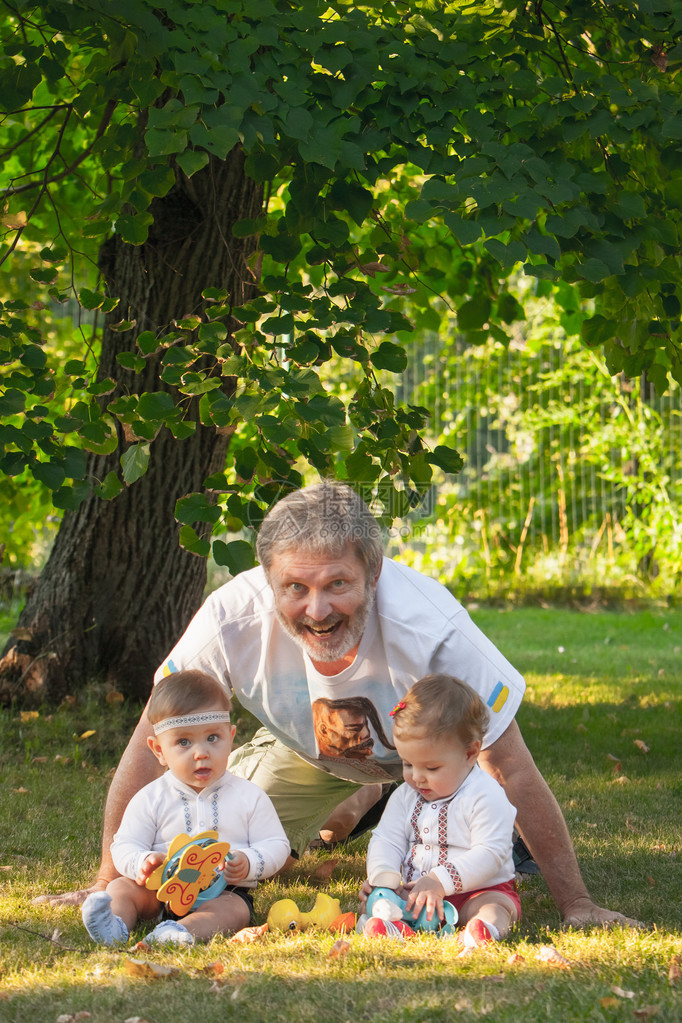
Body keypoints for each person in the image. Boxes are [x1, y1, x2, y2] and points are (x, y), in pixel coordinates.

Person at [43, 481, 637, 928]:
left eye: (337, 585)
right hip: (308, 752)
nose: (317, 609)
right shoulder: (228, 619)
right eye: (295, 588)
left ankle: (432, 811)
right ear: (268, 578)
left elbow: (509, 767)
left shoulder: (434, 630)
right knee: (228, 834)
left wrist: (578, 904)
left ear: (373, 572)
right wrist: (106, 880)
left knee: (470, 820)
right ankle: (371, 800)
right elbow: (153, 743)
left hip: (427, 755)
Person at [80, 670, 290, 945]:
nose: (200, 752)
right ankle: (114, 924)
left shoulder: (249, 796)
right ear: (158, 751)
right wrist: (141, 863)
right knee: (121, 887)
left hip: (223, 891)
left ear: (231, 737)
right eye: (183, 742)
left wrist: (248, 862)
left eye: (212, 738)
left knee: (234, 911)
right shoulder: (150, 797)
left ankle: (177, 933)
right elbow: (124, 845)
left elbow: (277, 844)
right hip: (157, 891)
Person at [363, 674, 520, 951]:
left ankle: (483, 930)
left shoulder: (485, 795)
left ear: (470, 753)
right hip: (416, 892)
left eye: (431, 768)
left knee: (497, 905)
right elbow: (386, 839)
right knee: (387, 901)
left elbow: (491, 853)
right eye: (408, 764)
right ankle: (395, 927)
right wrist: (383, 876)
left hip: (477, 890)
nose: (417, 778)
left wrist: (439, 881)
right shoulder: (405, 796)